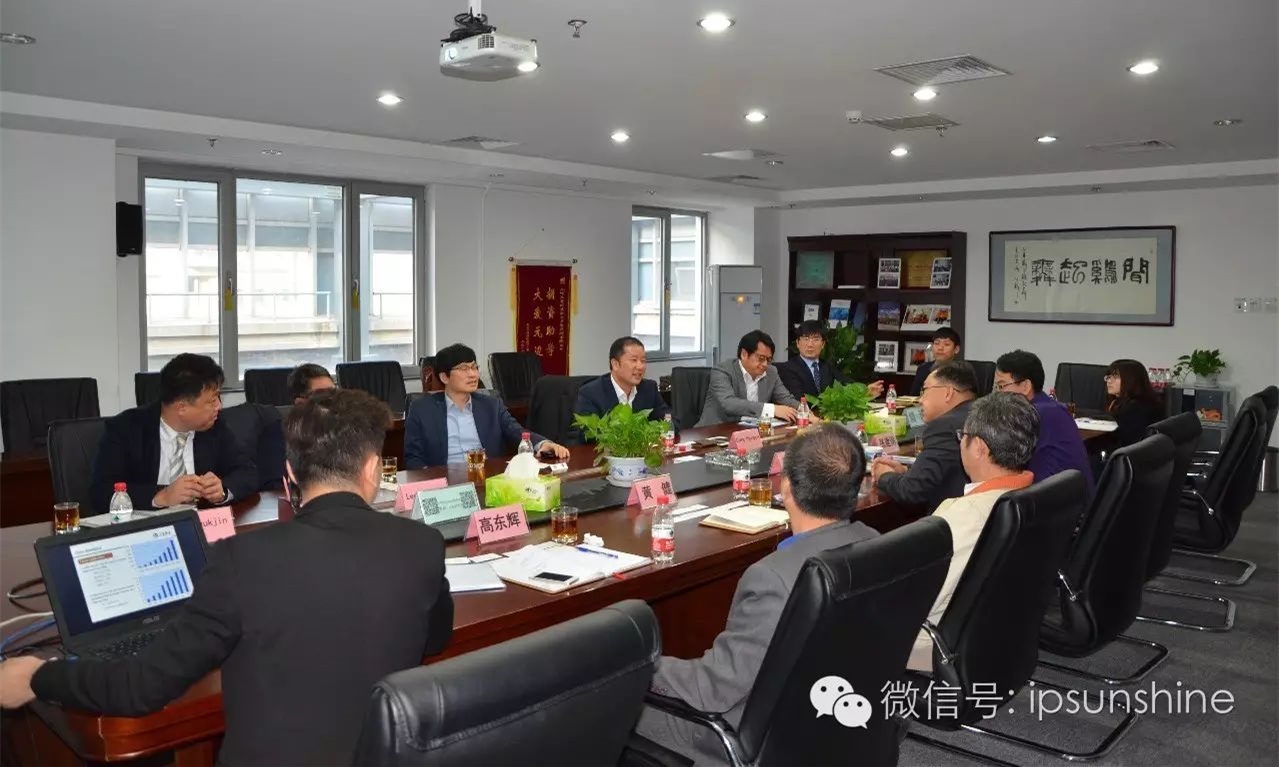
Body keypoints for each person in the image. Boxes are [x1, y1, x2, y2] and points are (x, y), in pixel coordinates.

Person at [1, 389, 455, 765]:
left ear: (290, 473)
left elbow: (142, 686)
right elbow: (433, 639)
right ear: (373, 469)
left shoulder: (243, 559)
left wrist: (39, 676)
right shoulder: (422, 543)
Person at [634, 424, 878, 762]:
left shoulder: (774, 578)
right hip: (834, 715)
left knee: (606, 706)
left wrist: (633, 667)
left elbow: (712, 688)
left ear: (786, 487)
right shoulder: (875, 542)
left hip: (754, 735)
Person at [907, 392, 1039, 672]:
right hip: (1002, 632)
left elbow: (918, 599)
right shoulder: (1038, 495)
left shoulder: (964, 516)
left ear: (978, 447)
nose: (960, 442)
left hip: (938, 645)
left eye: (962, 436)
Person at [89, 353, 256, 516]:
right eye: (212, 401)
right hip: (147, 526)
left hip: (202, 523)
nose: (219, 406)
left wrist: (222, 490)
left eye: (218, 397)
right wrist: (161, 497)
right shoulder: (125, 429)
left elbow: (247, 472)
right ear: (181, 407)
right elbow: (100, 491)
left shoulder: (214, 426)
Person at [404, 343, 570, 468]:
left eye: (474, 367)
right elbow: (413, 458)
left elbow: (516, 431)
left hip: (486, 480)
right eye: (464, 369)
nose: (473, 374)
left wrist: (542, 444)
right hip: (444, 485)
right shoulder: (421, 410)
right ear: (444, 377)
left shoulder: (491, 405)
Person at [872, 360, 977, 512]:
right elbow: (947, 474)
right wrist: (908, 474)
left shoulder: (944, 427)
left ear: (948, 393)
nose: (920, 400)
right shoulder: (982, 414)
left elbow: (911, 491)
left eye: (925, 390)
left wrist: (884, 475)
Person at [995, 350, 1095, 490]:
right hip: (1071, 497)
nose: (997, 394)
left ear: (1025, 386)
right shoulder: (1053, 408)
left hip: (1054, 499)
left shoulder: (1030, 415)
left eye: (1001, 386)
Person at [697, 331, 800, 427]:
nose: (765, 364)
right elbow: (728, 403)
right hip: (714, 432)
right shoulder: (722, 371)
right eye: (761, 358)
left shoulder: (771, 372)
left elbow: (785, 398)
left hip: (751, 431)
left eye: (768, 359)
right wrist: (772, 409)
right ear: (744, 354)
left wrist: (803, 410)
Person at [574, 336, 671, 428]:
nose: (640, 366)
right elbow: (586, 433)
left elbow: (670, 419)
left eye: (643, 360)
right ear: (615, 364)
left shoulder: (649, 388)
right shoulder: (591, 393)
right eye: (634, 360)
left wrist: (656, 430)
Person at [776, 320, 884, 400]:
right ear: (798, 343)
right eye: (806, 339)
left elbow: (846, 383)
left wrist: (864, 390)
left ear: (823, 344)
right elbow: (800, 398)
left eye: (816, 339)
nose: (810, 344)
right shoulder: (787, 368)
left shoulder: (827, 366)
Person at [1104, 359, 1162, 447]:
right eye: (1108, 377)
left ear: (1131, 380)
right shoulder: (1118, 402)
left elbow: (1124, 439)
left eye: (1115, 377)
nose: (1109, 381)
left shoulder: (1139, 408)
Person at [908, 328, 962, 396]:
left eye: (946, 344)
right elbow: (913, 396)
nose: (940, 348)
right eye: (937, 343)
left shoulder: (963, 371)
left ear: (956, 349)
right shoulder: (923, 369)